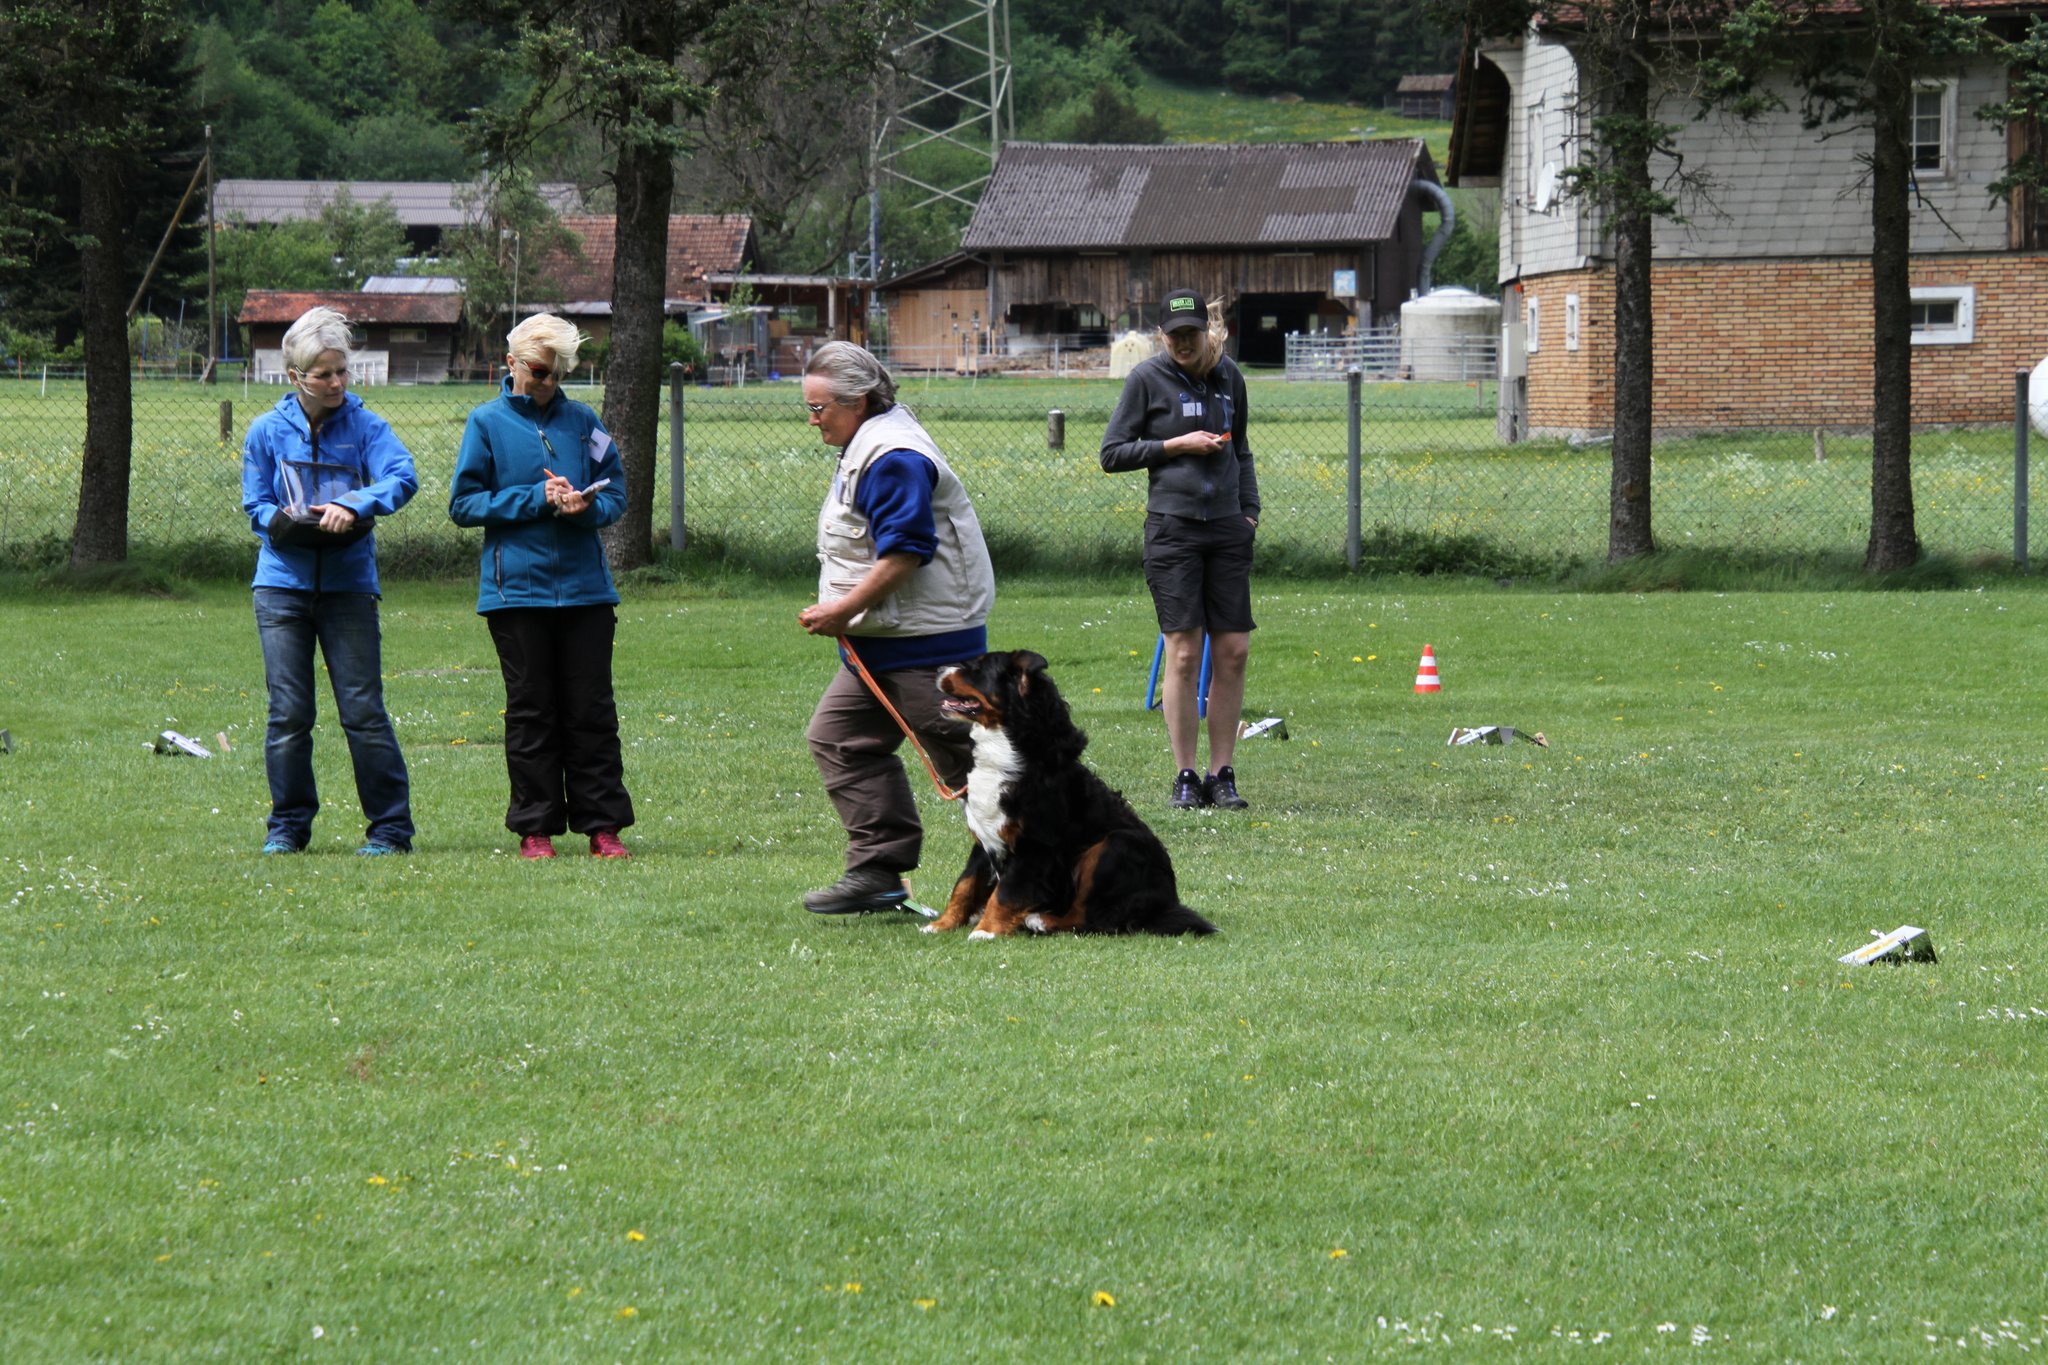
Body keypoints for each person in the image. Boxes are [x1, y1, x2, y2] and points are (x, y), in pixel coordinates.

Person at [797, 341, 996, 915]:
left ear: (858, 401)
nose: (813, 421)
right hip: (883, 645)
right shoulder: (868, 444)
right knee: (839, 737)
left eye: (819, 408)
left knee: (984, 767)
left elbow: (906, 551)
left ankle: (1051, 870)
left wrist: (841, 610)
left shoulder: (893, 458)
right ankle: (878, 872)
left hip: (925, 649)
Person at [449, 314, 634, 859]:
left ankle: (603, 827)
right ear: (511, 364)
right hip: (515, 594)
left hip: (586, 593)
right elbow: (464, 504)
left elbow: (616, 493)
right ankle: (535, 829)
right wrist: (535, 498)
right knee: (531, 711)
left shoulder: (584, 423)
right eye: (538, 371)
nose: (547, 382)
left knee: (591, 711)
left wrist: (585, 506)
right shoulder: (485, 423)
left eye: (556, 373)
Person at [240, 306, 419, 855]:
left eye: (343, 371)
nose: (338, 383)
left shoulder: (366, 426)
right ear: (296, 376)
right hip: (281, 588)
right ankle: (287, 829)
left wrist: (354, 503)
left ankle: (390, 830)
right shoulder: (267, 431)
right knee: (289, 715)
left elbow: (402, 476)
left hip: (349, 588)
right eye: (324, 375)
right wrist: (288, 522)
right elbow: (255, 503)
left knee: (363, 712)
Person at [1099, 287, 1260, 811]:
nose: (1184, 343)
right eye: (1175, 336)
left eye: (1192, 334)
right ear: (1162, 336)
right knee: (1185, 653)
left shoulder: (1229, 376)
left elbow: (1241, 449)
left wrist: (1249, 512)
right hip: (1174, 531)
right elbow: (1112, 453)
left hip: (1228, 530)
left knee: (1233, 652)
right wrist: (1175, 445)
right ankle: (1186, 775)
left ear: (1206, 332)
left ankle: (1222, 774)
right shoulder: (1147, 379)